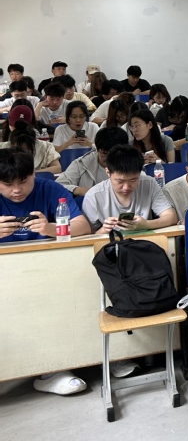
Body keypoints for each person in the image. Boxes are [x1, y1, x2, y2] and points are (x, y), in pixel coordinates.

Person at [0, 147, 91, 395]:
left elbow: (83, 226)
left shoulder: (50, 189)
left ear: (34, 174)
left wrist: (51, 229)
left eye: (23, 181)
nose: (16, 190)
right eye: (7, 184)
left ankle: (52, 370)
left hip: (48, 270)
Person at [82, 144, 177, 233]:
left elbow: (171, 217)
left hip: (145, 242)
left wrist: (146, 224)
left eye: (133, 180)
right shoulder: (93, 196)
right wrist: (104, 230)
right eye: (120, 181)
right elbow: (88, 235)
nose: (126, 187)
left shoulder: (149, 184)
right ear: (108, 172)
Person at [56, 127, 129, 197]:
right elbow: (58, 185)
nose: (109, 158)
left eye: (114, 154)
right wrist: (80, 190)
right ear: (97, 149)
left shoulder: (131, 163)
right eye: (105, 153)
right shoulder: (82, 163)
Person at [0, 104, 61, 174]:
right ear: (31, 124)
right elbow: (57, 168)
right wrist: (33, 174)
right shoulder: (46, 146)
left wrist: (29, 175)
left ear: (10, 124)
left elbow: (57, 168)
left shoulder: (46, 146)